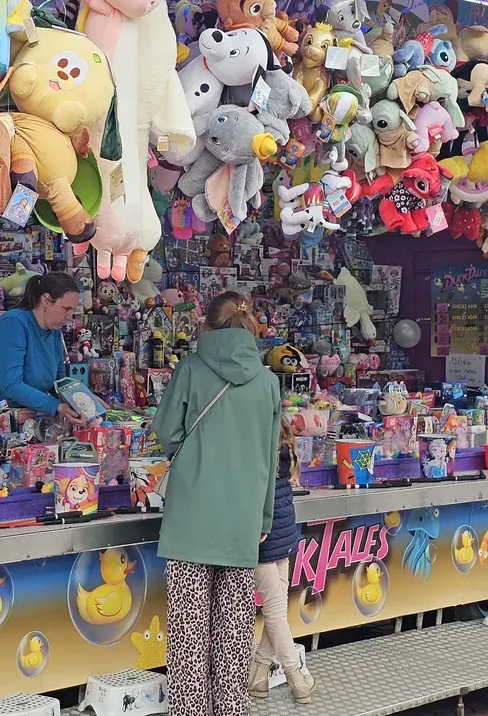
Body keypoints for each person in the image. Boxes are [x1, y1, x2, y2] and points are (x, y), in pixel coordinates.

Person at [151, 291, 280, 716]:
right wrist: (263, 515)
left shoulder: (190, 368)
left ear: (207, 326)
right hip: (242, 518)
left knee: (188, 637)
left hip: (191, 515)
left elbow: (167, 430)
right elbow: (269, 456)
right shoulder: (268, 382)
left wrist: (192, 454)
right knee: (234, 633)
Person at [0, 272, 87, 427]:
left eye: (72, 310)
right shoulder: (13, 324)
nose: (69, 317)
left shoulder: (53, 331)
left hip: (8, 415)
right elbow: (11, 386)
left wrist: (83, 399)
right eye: (66, 308)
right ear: (46, 300)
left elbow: (59, 381)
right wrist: (56, 406)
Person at [247, 416, 310, 703]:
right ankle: (259, 676)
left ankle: (296, 678)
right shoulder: (286, 456)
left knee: (274, 615)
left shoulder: (254, 457)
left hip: (263, 541)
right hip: (285, 537)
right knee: (277, 612)